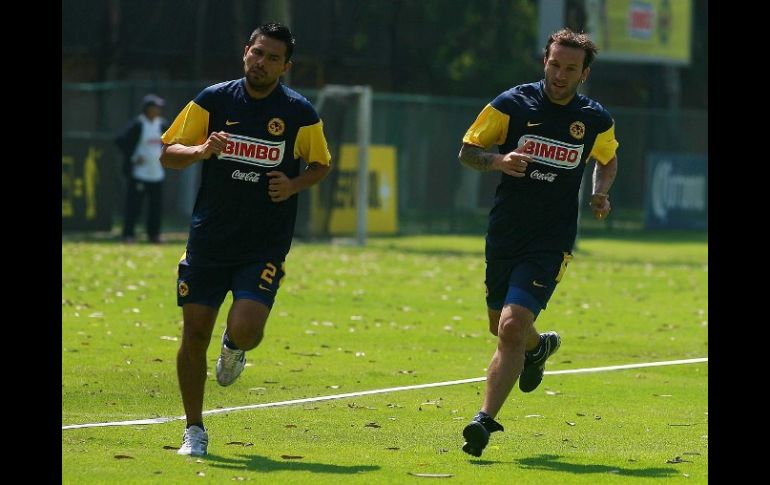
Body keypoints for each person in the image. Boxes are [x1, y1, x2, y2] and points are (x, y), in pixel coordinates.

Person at [159, 22, 332, 457]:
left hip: (264, 243)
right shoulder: (213, 100)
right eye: (258, 53)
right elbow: (169, 152)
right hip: (209, 240)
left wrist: (293, 185)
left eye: (273, 58)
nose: (262, 62)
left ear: (286, 67)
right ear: (245, 52)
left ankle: (235, 347)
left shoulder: (298, 113)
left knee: (248, 328)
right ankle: (194, 430)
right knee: (194, 333)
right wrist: (200, 151)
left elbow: (320, 164)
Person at [457, 28, 618, 457]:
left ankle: (484, 421)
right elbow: (468, 151)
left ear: (584, 73)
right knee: (503, 327)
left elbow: (607, 156)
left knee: (510, 327)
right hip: (506, 233)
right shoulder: (511, 104)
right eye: (554, 64)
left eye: (570, 68)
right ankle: (539, 346)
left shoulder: (594, 118)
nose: (560, 74)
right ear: (544, 62)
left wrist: (600, 192)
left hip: (551, 240)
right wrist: (498, 159)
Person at [115, 94, 169, 243]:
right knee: (134, 206)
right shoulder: (138, 124)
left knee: (156, 207)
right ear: (147, 109)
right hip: (139, 174)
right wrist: (133, 157)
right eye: (155, 107)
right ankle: (128, 234)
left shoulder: (162, 124)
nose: (158, 110)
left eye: (159, 107)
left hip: (157, 173)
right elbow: (120, 141)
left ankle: (154, 235)